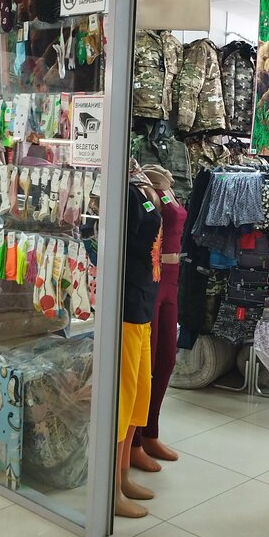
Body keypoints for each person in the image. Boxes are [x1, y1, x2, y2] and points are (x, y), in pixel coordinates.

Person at [131, 165, 187, 471]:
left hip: (173, 278)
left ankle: (151, 432)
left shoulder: (168, 185)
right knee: (147, 363)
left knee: (167, 359)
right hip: (154, 275)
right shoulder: (147, 185)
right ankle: (134, 442)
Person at [116, 161, 163, 518]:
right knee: (123, 398)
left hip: (145, 302)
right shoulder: (127, 193)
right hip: (129, 305)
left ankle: (123, 475)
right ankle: (111, 488)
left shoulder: (142, 186)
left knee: (139, 395)